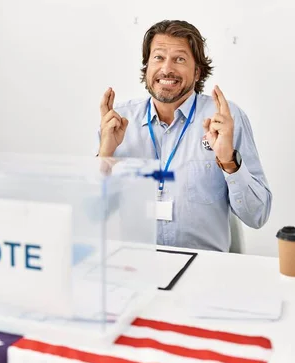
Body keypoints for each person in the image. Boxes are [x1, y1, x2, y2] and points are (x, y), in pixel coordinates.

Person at [97, 20, 272, 252]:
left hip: (204, 271)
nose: (167, 69)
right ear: (147, 66)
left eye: (179, 59)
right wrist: (105, 155)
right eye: (158, 57)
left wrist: (228, 159)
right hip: (136, 267)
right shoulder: (118, 122)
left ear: (197, 71)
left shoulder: (224, 120)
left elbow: (257, 215)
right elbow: (93, 215)